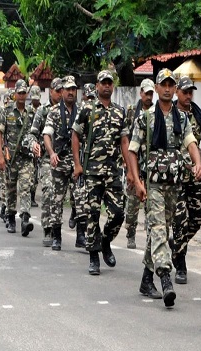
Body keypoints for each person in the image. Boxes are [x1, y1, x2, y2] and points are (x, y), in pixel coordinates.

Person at [128, 68, 201, 308]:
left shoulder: (182, 118)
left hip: (174, 184)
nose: (168, 89)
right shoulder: (146, 117)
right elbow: (132, 151)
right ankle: (165, 279)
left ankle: (146, 279)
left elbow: (191, 142)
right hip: (153, 185)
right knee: (159, 228)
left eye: (171, 85)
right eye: (164, 85)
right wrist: (137, 181)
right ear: (157, 88)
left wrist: (198, 163)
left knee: (160, 231)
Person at [72, 70, 128, 276]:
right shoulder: (87, 109)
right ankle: (94, 256)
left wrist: (129, 168)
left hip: (113, 172)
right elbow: (75, 135)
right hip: (92, 171)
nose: (106, 86)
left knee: (118, 213)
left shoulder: (120, 112)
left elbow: (124, 141)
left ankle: (105, 241)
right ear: (97, 86)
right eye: (103, 82)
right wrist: (78, 165)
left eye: (109, 83)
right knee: (92, 215)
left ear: (112, 86)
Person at [171, 76, 201, 284]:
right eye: (185, 92)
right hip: (175, 177)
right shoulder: (169, 114)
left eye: (191, 92)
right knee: (179, 220)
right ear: (177, 92)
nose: (188, 96)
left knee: (198, 217)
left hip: (194, 176)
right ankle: (180, 264)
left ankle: (177, 244)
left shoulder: (197, 115)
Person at [43, 75, 87, 251]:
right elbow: (47, 134)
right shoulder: (54, 112)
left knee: (81, 198)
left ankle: (81, 236)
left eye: (73, 89)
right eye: (68, 89)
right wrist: (51, 153)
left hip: (77, 163)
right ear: (62, 92)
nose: (71, 92)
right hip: (60, 162)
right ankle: (57, 237)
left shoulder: (82, 110)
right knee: (57, 200)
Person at [0, 79, 39, 235]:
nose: (21, 95)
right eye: (19, 93)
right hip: (10, 159)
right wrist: (0, 156)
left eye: (23, 93)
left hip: (26, 158)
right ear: (15, 94)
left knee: (26, 187)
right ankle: (11, 217)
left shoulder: (32, 112)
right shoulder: (7, 111)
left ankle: (25, 219)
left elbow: (36, 133)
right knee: (11, 189)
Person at [30, 78, 63, 246]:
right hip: (47, 160)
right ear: (51, 91)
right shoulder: (43, 111)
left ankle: (78, 229)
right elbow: (32, 134)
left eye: (62, 90)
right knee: (49, 191)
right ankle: (48, 228)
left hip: (66, 159)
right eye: (57, 91)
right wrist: (33, 144)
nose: (60, 94)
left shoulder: (71, 110)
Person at [124, 78, 154, 251]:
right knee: (132, 204)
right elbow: (125, 139)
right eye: (146, 93)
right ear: (141, 93)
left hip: (150, 166)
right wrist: (128, 167)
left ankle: (150, 237)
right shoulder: (131, 113)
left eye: (151, 93)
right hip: (134, 164)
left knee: (151, 205)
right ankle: (131, 233)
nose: (149, 97)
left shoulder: (157, 113)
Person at [29, 85, 42, 208]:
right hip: (30, 145)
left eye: (37, 99)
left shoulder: (44, 110)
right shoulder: (28, 111)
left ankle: (32, 195)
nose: (35, 101)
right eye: (33, 99)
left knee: (36, 172)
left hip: (41, 145)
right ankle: (29, 196)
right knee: (30, 171)